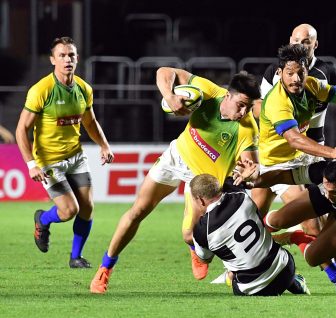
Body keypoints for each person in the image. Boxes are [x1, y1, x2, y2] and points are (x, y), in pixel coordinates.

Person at [90, 67, 261, 294]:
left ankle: (195, 247)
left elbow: (251, 166)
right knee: (138, 211)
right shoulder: (210, 92)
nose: (244, 112)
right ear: (227, 95)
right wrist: (169, 97)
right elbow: (164, 71)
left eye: (249, 107)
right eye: (241, 105)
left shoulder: (247, 128)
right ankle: (105, 268)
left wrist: (250, 175)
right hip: (176, 157)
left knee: (188, 234)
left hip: (202, 181)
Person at [255, 23, 336, 274]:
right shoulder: (276, 72)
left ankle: (333, 266)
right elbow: (259, 111)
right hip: (280, 154)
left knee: (317, 212)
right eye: (296, 40)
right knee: (257, 215)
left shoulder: (327, 73)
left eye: (306, 41)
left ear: (316, 44)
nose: (300, 45)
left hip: (312, 152)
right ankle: (238, 264)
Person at [15, 37, 114, 268]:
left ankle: (75, 257)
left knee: (87, 208)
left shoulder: (84, 88)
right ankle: (42, 219)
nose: (67, 59)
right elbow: (21, 129)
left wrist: (104, 145)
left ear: (77, 58)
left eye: (71, 55)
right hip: (49, 161)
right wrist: (31, 164)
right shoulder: (41, 90)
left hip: (76, 157)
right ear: (53, 60)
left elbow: (91, 122)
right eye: (62, 55)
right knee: (70, 210)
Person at [241, 159, 336, 293]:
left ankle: (296, 236)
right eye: (326, 187)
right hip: (323, 196)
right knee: (278, 221)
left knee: (313, 258)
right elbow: (281, 176)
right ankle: (262, 231)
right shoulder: (321, 172)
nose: (329, 195)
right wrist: (252, 181)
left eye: (333, 191)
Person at [190, 173, 312, 296]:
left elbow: (204, 259)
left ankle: (230, 275)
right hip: (286, 269)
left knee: (236, 268)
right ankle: (295, 284)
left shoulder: (201, 230)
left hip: (253, 289)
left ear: (200, 200)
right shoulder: (240, 195)